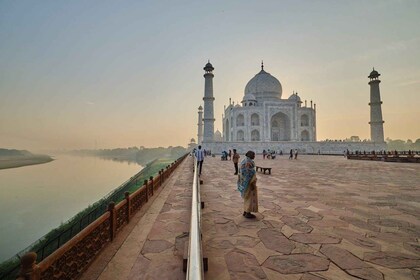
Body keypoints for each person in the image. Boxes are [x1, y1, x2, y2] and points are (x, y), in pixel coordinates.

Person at [237, 151, 258, 219]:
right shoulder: (248, 162)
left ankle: (245, 211)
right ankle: (248, 213)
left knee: (246, 197)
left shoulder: (244, 160)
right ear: (250, 155)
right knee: (249, 197)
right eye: (253, 155)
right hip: (248, 183)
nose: (254, 156)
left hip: (244, 183)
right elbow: (248, 174)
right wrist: (251, 183)